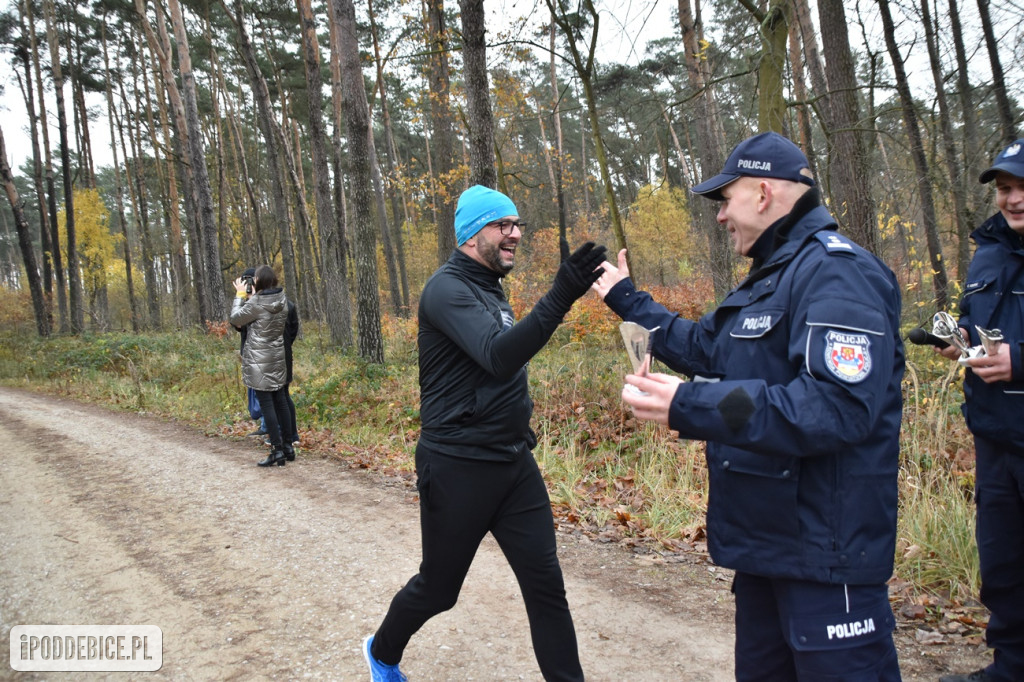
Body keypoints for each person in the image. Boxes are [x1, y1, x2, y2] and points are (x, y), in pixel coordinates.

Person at [593, 132, 906, 680]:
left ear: (763, 193)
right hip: (767, 553)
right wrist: (624, 297)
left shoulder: (838, 273)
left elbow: (836, 407)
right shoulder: (769, 281)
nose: (720, 216)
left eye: (726, 199)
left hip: (827, 562)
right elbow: (703, 347)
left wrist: (691, 404)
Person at [361, 185, 606, 682]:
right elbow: (498, 356)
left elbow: (506, 353)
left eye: (517, 224)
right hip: (457, 467)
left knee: (546, 587)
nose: (516, 234)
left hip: (514, 464)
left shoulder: (490, 286)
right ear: (473, 235)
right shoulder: (445, 290)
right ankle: (382, 651)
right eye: (504, 225)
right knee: (439, 589)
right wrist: (561, 293)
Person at [932, 138, 1024, 682]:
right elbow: (984, 328)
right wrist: (960, 341)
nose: (1013, 200)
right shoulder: (988, 250)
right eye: (1006, 189)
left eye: (1022, 189)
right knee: (1005, 569)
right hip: (995, 440)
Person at [229, 264, 296, 467]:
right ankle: (287, 446)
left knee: (267, 405)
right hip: (277, 357)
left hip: (260, 361)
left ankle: (276, 450)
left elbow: (235, 319)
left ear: (258, 282)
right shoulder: (282, 301)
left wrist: (240, 294)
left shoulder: (257, 303)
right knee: (281, 402)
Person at [232, 267, 267, 437]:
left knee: (263, 392)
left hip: (262, 354)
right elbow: (238, 324)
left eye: (250, 281)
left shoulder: (265, 301)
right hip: (249, 354)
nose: (247, 285)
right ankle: (264, 425)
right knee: (254, 394)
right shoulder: (246, 304)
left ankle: (268, 427)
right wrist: (240, 297)